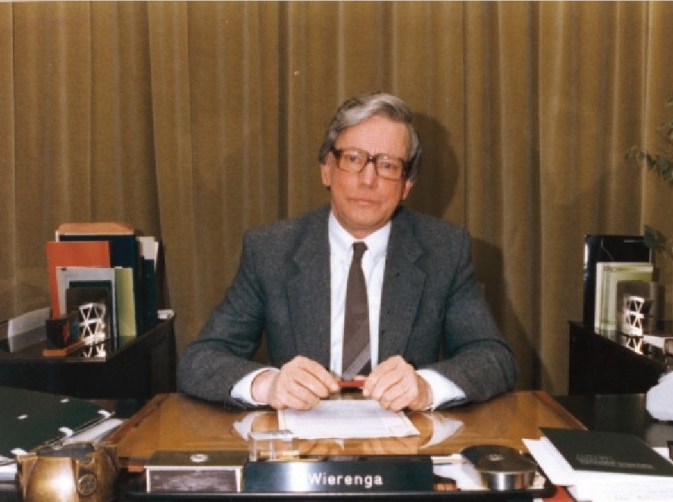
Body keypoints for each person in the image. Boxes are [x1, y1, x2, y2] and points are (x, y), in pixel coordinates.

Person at [178, 92, 517, 412]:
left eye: (387, 165)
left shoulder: (444, 249)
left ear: (406, 186)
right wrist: (268, 384)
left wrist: (426, 388)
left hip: (404, 449)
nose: (368, 180)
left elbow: (493, 357)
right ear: (326, 168)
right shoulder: (271, 250)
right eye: (353, 159)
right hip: (304, 452)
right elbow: (200, 359)